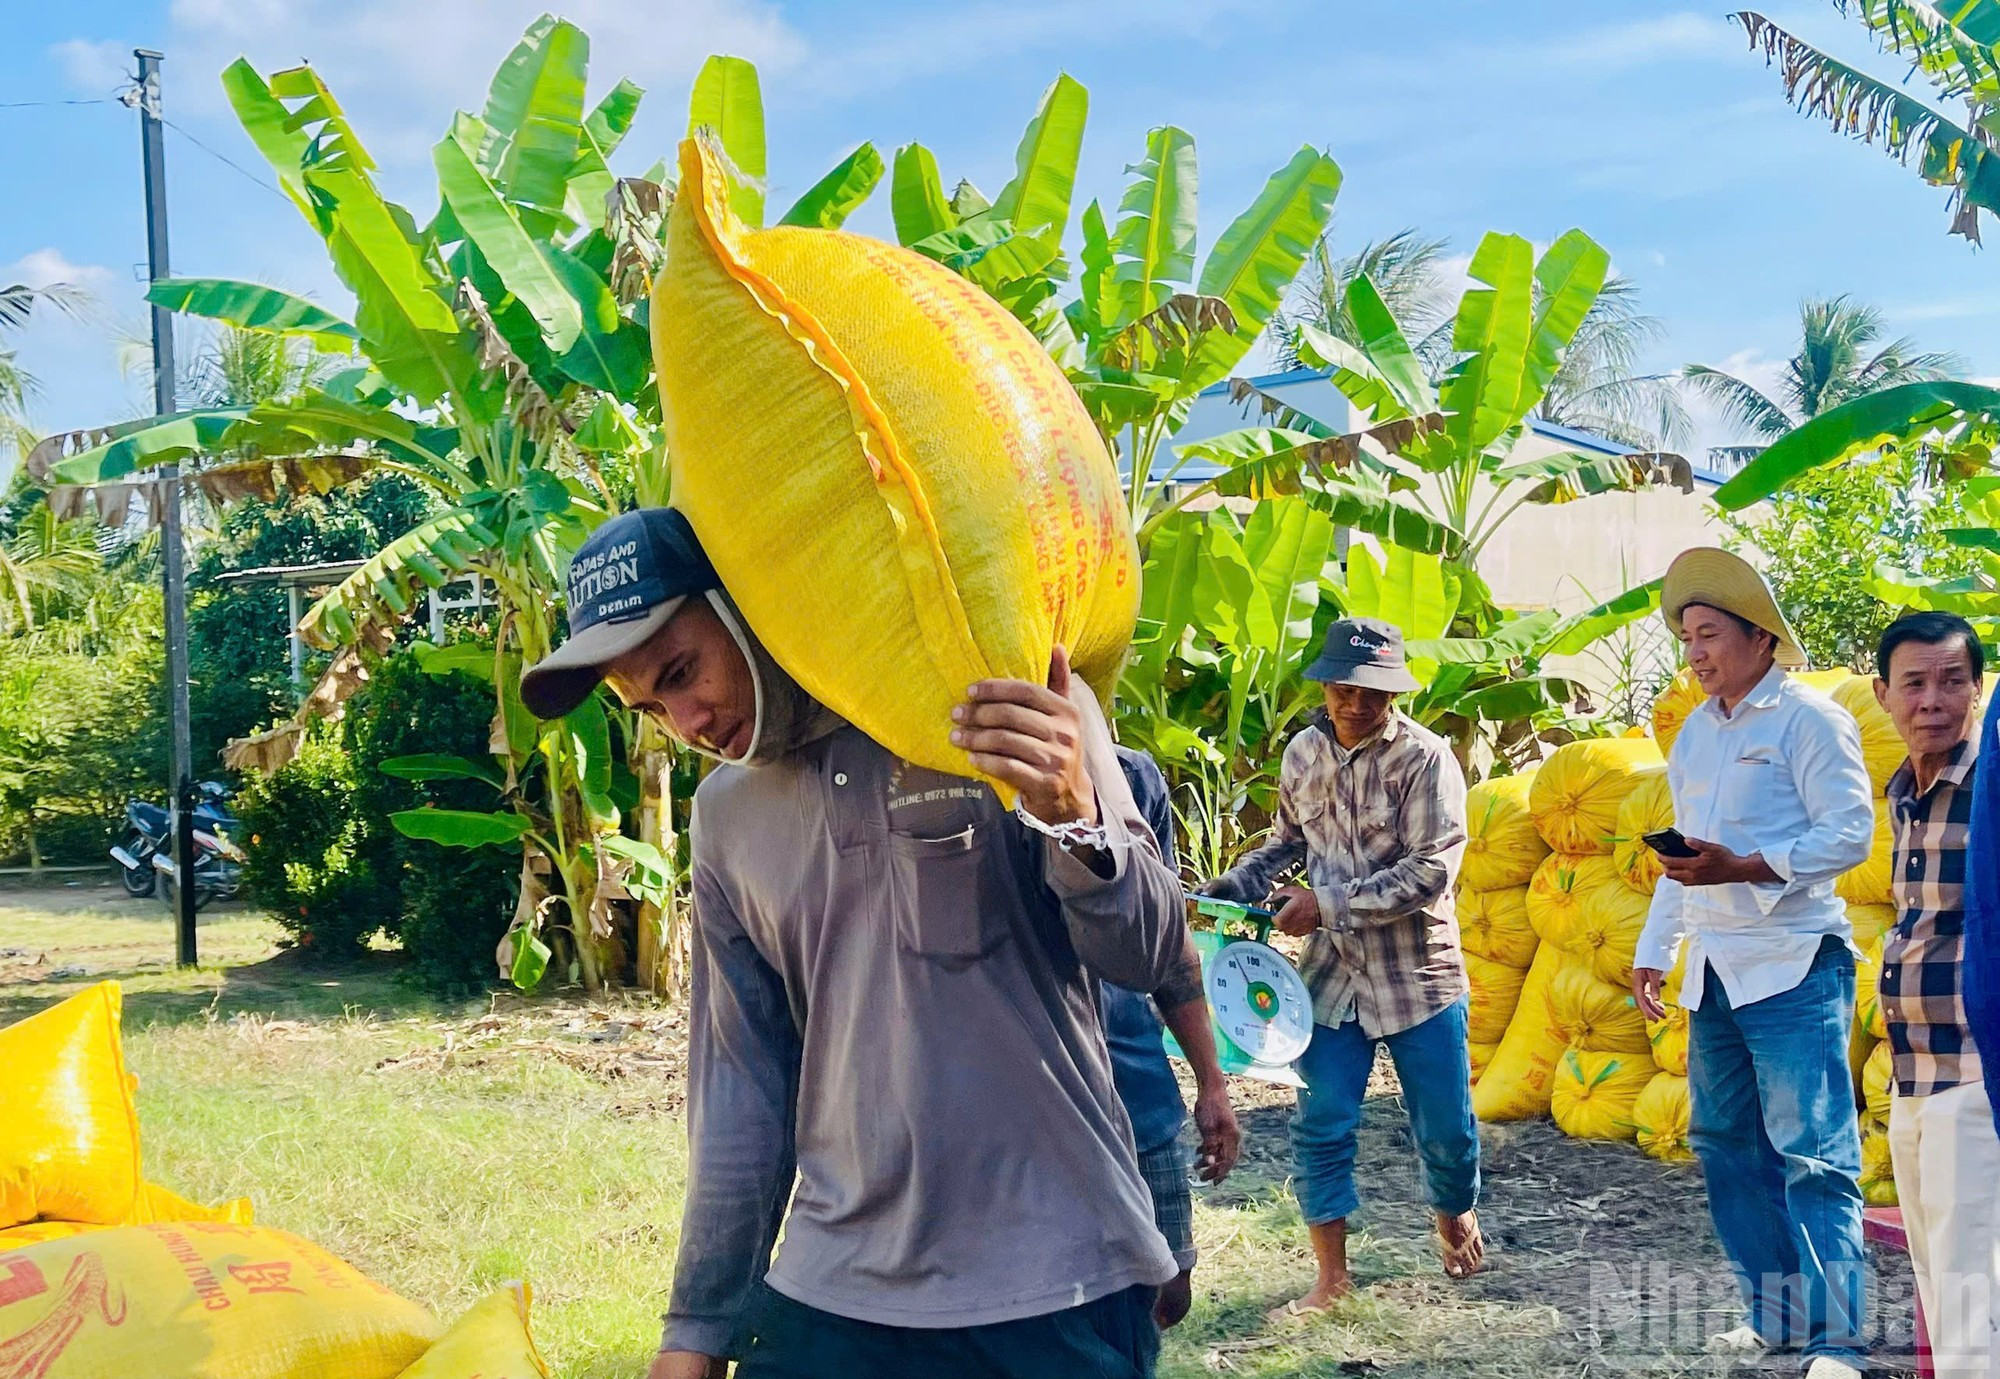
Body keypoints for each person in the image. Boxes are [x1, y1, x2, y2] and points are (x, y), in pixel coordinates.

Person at [520, 509, 1192, 1379]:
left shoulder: (997, 706)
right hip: (829, 1299)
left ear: (744, 604)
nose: (683, 719)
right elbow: (742, 1093)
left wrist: (1074, 814)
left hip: (1055, 1281)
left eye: (682, 672)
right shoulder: (723, 817)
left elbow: (1150, 956)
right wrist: (695, 1329)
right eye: (650, 704)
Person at [1630, 547, 1875, 1379]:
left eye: (1710, 634)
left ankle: (1838, 1340)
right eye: (1687, 637)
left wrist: (1747, 866)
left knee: (1814, 1152)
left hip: (1795, 962)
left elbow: (1849, 835)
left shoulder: (1809, 719)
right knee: (1727, 1140)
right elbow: (1686, 856)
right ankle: (1776, 1318)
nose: (1696, 652)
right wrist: (1653, 950)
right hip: (1717, 970)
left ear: (1760, 637)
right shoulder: (1696, 733)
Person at [1201, 616, 1480, 1318]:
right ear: (1325, 684)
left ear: (1395, 692)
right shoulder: (1301, 754)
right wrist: (1237, 885)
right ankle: (1332, 1280)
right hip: (1330, 980)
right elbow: (1289, 842)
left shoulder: (1427, 759)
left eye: (1375, 692)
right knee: (1321, 1120)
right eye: (1346, 689)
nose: (1358, 705)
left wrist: (1325, 903)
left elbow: (1428, 873)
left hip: (1419, 976)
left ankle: (1454, 1210)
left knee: (1445, 1129)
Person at [1872, 611, 1999, 1379]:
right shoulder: (1903, 792)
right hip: (1912, 1074)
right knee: (1940, 1285)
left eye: (1953, 682)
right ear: (1884, 694)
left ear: (1978, 689)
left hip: (1974, 1073)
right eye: (1914, 683)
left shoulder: (1990, 787)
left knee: (1969, 1301)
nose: (1933, 701)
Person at [1107, 745, 1242, 1330]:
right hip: (1027, 1104)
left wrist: (1212, 1082)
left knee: (1168, 1291)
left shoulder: (1132, 777)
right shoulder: (969, 787)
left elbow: (1167, 939)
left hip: (1134, 1078)